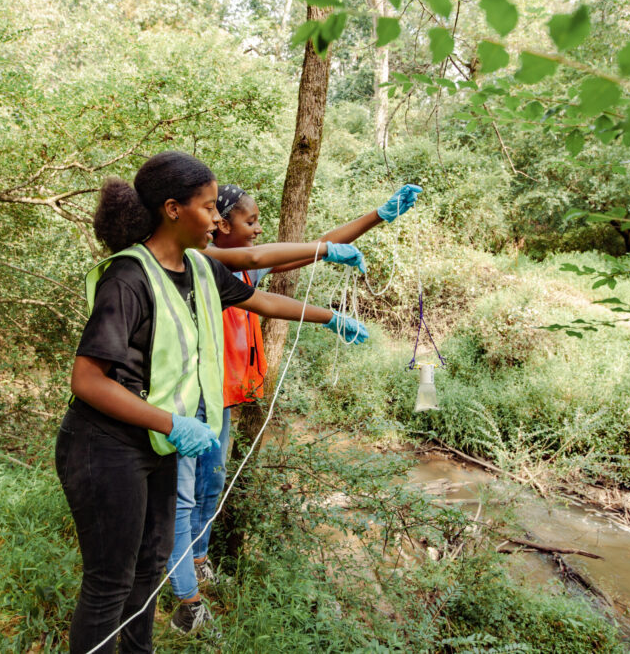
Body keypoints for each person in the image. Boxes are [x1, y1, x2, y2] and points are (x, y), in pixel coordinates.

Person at [55, 150, 368, 654]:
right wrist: (173, 424)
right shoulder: (128, 278)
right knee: (110, 582)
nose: (218, 220)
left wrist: (329, 316)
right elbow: (87, 380)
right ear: (173, 209)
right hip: (105, 445)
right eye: (208, 208)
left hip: (155, 442)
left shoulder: (198, 267)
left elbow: (260, 293)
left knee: (149, 571)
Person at [165, 181, 422, 633]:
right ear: (220, 225)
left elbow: (313, 249)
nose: (259, 229)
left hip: (224, 398)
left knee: (212, 484)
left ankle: (199, 560)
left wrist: (378, 217)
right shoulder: (198, 263)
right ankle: (186, 603)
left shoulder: (242, 273)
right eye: (250, 221)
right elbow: (268, 257)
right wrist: (328, 313)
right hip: (193, 400)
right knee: (183, 499)